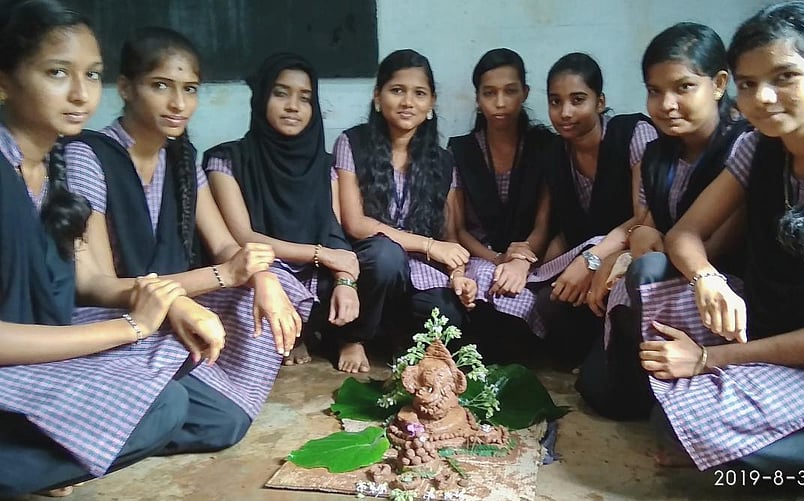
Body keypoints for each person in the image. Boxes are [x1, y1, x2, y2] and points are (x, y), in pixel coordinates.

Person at [639, 1, 804, 476]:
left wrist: (706, 358)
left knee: (690, 424)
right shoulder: (757, 145)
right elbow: (684, 236)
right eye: (749, 83)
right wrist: (707, 278)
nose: (763, 97)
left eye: (784, 77)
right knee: (648, 283)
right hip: (768, 321)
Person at [0, 1, 224, 497]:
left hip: (40, 354)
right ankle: (57, 453)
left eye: (92, 75)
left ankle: (61, 451)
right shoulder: (59, 161)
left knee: (196, 396)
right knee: (163, 406)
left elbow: (84, 283)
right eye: (57, 73)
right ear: (4, 81)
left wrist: (166, 305)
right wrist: (131, 326)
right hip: (13, 365)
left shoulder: (53, 167)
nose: (82, 94)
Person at [65, 27, 310, 459]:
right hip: (114, 315)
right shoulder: (88, 156)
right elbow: (95, 284)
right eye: (161, 86)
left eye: (190, 89)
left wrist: (263, 277)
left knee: (228, 413)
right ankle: (78, 429)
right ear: (125, 87)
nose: (179, 104)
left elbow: (223, 245)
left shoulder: (180, 158)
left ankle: (134, 407)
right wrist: (223, 275)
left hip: (172, 307)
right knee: (208, 416)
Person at [576, 22, 749, 419]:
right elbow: (646, 226)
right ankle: (652, 385)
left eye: (684, 87)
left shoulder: (742, 147)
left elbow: (718, 244)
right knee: (600, 393)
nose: (667, 103)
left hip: (723, 290)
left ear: (719, 84)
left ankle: (680, 390)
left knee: (645, 270)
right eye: (655, 91)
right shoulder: (659, 155)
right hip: (667, 275)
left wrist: (640, 251)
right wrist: (629, 250)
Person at [204, 52, 361, 366]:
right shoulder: (226, 160)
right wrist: (321, 254)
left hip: (313, 270)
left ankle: (340, 337)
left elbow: (333, 229)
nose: (293, 107)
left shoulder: (324, 165)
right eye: (281, 93)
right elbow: (243, 236)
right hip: (262, 267)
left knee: (372, 262)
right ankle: (294, 337)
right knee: (263, 281)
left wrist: (346, 280)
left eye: (305, 98)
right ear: (261, 97)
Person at [332, 49, 476, 373]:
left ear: (431, 103)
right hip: (369, 262)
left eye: (419, 93)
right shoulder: (352, 143)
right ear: (378, 97)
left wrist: (458, 275)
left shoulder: (443, 160)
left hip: (420, 271)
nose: (408, 102)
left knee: (448, 312)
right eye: (397, 91)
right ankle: (353, 336)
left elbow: (450, 237)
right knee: (387, 256)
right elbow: (354, 223)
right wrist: (426, 245)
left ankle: (396, 338)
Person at [534, 52, 657, 362]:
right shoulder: (553, 155)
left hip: (633, 252)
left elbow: (644, 217)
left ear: (600, 102)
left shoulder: (632, 134)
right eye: (555, 101)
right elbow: (561, 229)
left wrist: (592, 259)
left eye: (578, 100)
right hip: (585, 258)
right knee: (548, 302)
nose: (565, 112)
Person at [447, 48, 554, 343]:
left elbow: (544, 224)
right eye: (489, 93)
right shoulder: (461, 151)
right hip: (481, 256)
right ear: (478, 99)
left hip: (534, 258)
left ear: (525, 93)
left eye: (510, 91)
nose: (501, 103)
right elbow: (457, 229)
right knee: (479, 296)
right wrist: (498, 259)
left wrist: (519, 260)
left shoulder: (544, 146)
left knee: (536, 298)